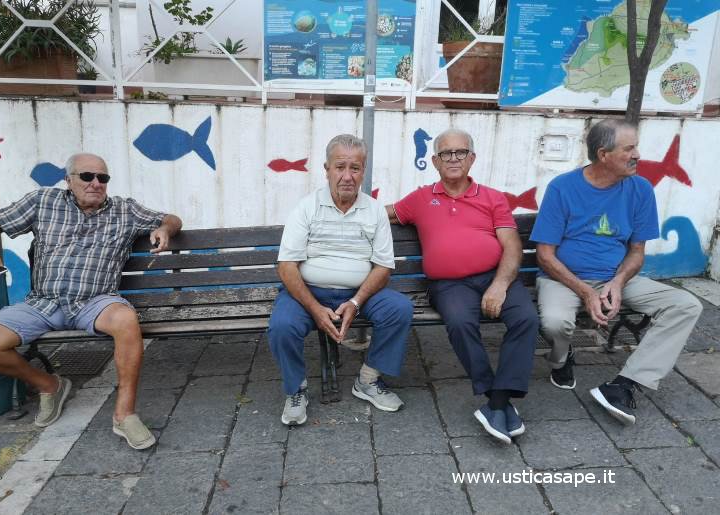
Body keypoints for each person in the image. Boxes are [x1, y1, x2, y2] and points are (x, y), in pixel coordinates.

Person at [0, 153, 182, 449]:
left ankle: (125, 414)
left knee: (126, 319)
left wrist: (164, 229)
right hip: (42, 303)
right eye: (87, 176)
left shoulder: (125, 210)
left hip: (94, 302)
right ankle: (50, 385)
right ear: (68, 180)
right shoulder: (42, 202)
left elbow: (171, 219)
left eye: (102, 178)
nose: (96, 183)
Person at [531, 119, 702, 425]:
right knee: (557, 323)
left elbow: (637, 252)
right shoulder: (563, 188)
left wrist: (618, 283)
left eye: (636, 146)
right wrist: (586, 292)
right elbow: (545, 256)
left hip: (616, 276)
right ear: (603, 154)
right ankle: (561, 358)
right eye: (629, 148)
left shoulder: (640, 189)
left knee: (686, 305)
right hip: (564, 277)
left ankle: (625, 383)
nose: (637, 154)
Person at [386, 128, 538, 445]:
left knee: (526, 319)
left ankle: (497, 401)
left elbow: (512, 247)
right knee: (459, 321)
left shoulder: (493, 198)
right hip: (448, 284)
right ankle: (495, 397)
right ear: (435, 161)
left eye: (460, 152)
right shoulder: (421, 199)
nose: (453, 159)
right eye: (445, 153)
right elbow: (382, 213)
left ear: (472, 158)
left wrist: (498, 285)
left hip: (495, 277)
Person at [268, 134, 413, 426]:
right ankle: (296, 389)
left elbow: (384, 267)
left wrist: (357, 302)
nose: (347, 176)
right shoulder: (306, 208)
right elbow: (286, 267)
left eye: (355, 168)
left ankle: (368, 381)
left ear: (363, 171)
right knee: (282, 325)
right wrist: (314, 309)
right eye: (340, 167)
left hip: (362, 291)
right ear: (327, 169)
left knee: (399, 309)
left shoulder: (374, 211)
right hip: (309, 291)